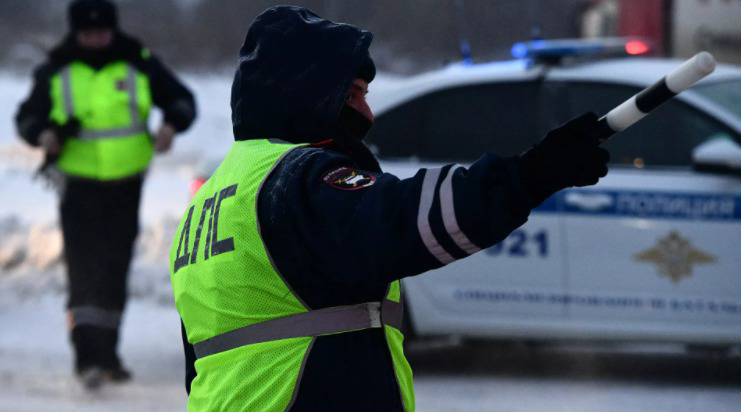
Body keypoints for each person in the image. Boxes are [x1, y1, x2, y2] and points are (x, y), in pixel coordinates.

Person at [169, 6, 608, 411]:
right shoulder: (298, 180)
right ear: (307, 93)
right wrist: (532, 174)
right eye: (352, 95)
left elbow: (201, 364)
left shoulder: (210, 204)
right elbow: (403, 219)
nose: (368, 113)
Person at [15, 0, 196, 389]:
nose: (96, 39)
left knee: (115, 266)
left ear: (113, 29)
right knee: (85, 268)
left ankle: (109, 356)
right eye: (87, 33)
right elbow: (26, 117)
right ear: (76, 32)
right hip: (77, 184)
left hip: (126, 183)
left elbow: (183, 101)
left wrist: (171, 125)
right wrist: (42, 134)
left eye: (102, 31)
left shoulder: (138, 62)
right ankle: (87, 359)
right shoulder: (56, 68)